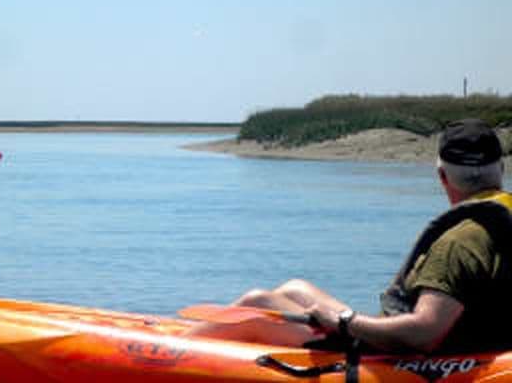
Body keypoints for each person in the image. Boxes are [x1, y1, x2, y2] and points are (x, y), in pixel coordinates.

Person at [188, 119, 511, 354]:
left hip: (393, 356)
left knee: (256, 302)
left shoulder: (459, 243)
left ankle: (169, 355)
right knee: (294, 288)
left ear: (442, 176)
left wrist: (344, 321)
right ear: (501, 170)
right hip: (458, 340)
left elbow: (424, 333)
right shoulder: (500, 221)